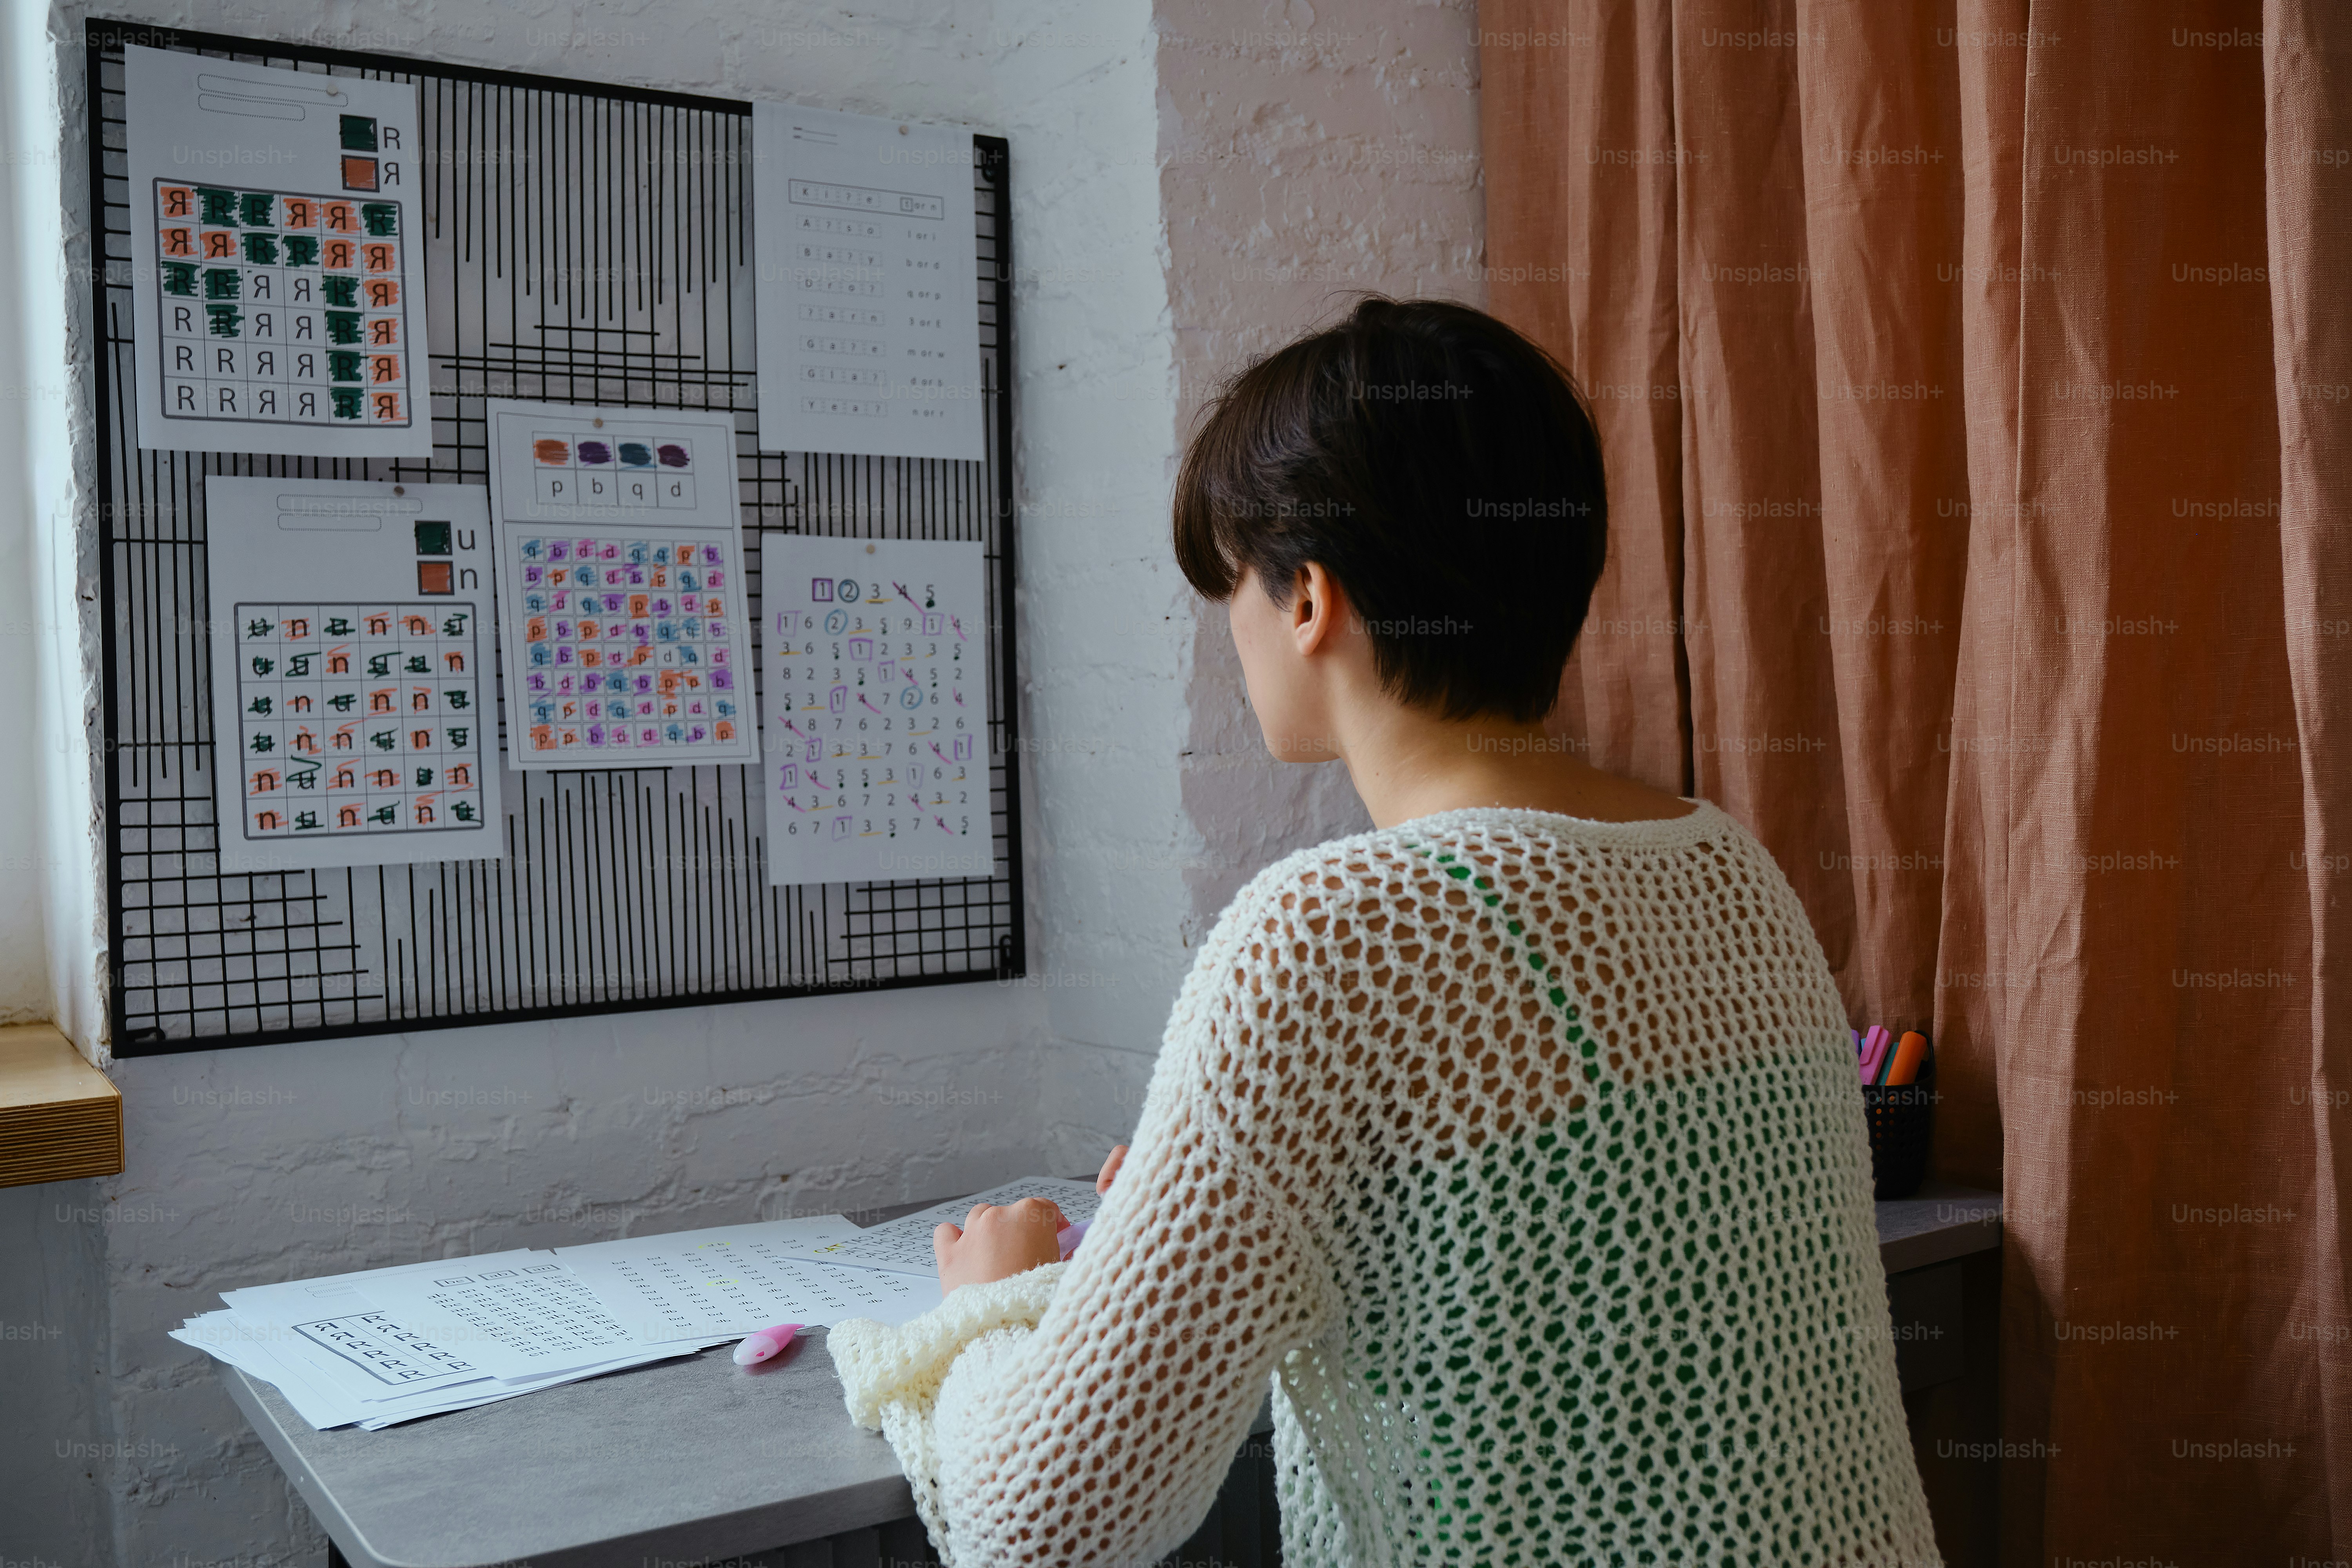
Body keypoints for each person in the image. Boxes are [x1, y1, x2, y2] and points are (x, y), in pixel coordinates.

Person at [833, 297, 1941, 1568]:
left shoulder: (1331, 936)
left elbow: (1045, 1525)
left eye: (1231, 589)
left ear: (1309, 597)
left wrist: (998, 1305)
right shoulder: (1730, 868)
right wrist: (1243, 1209)